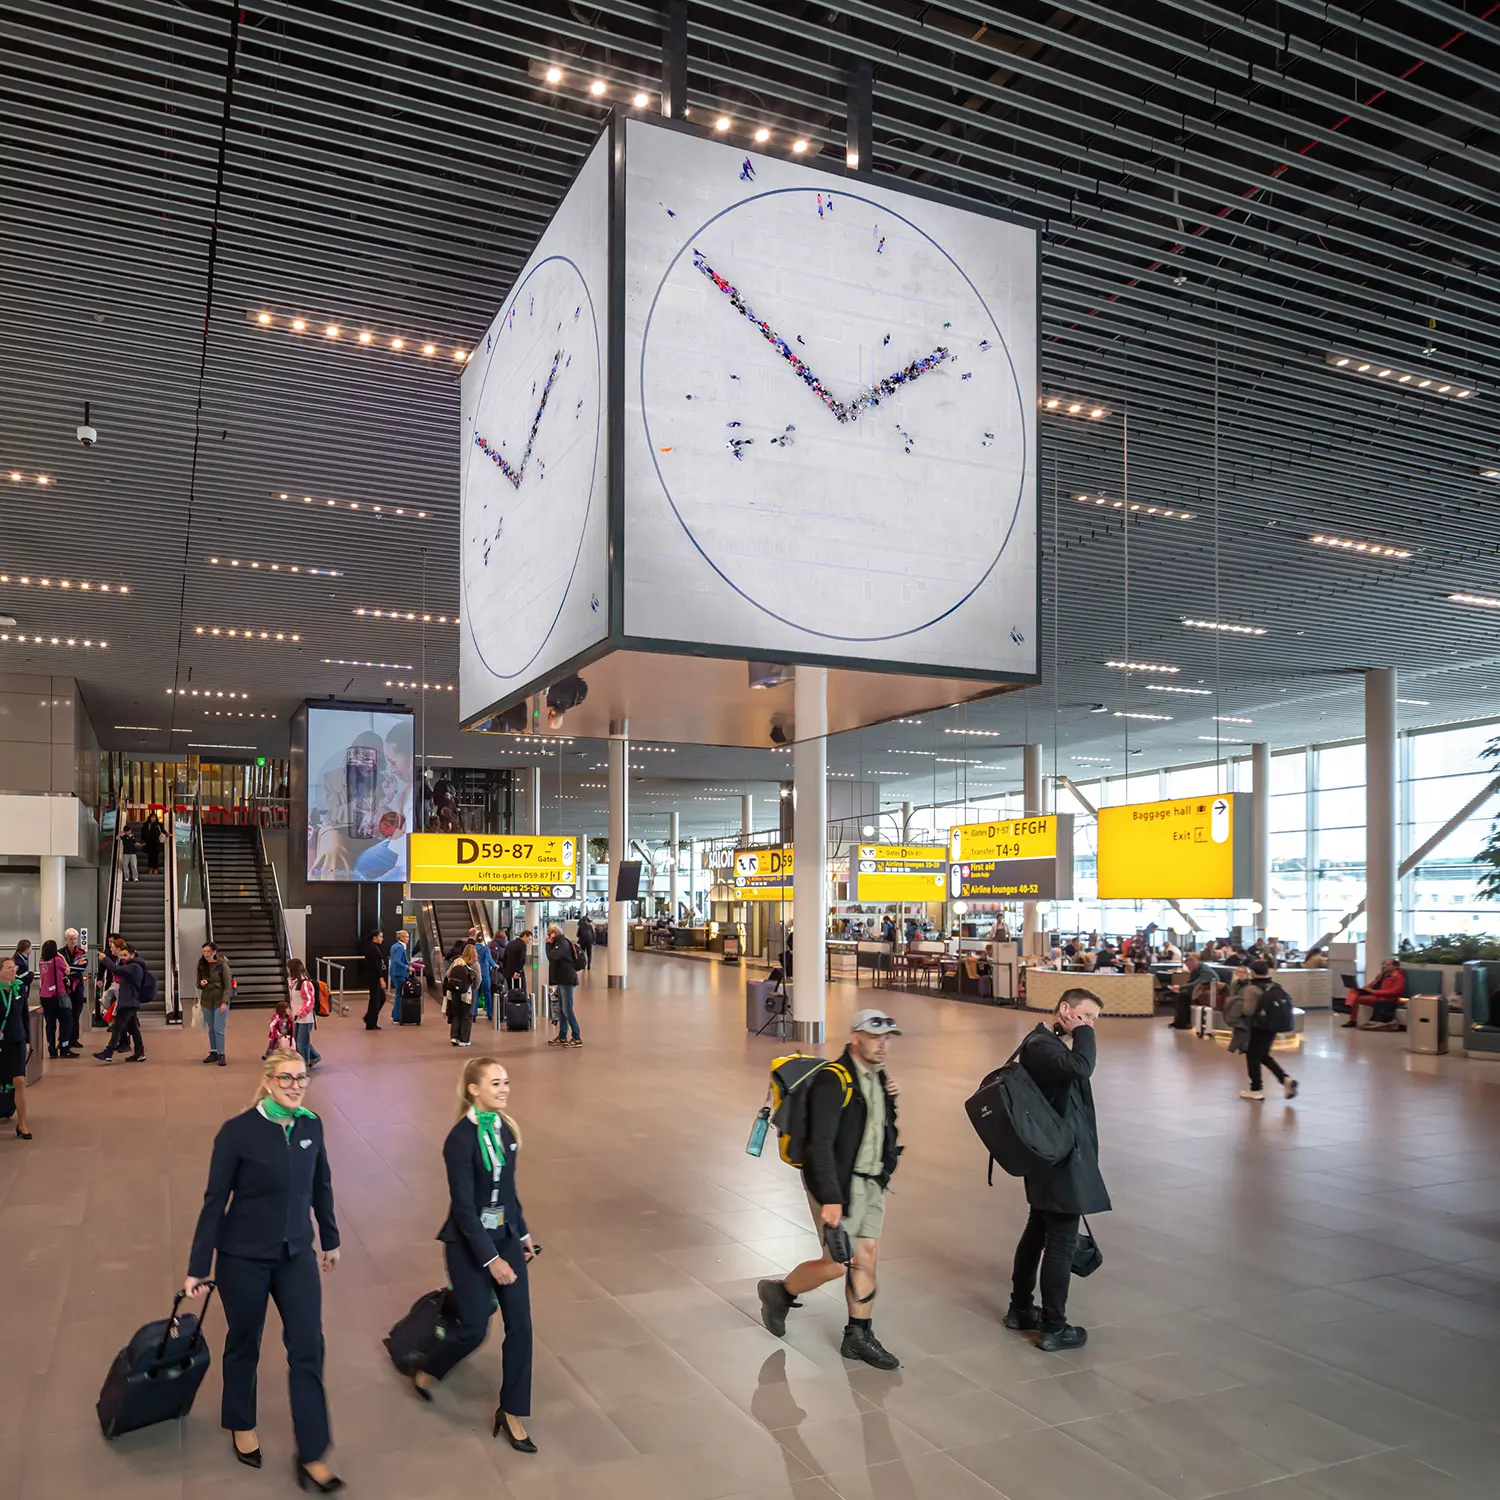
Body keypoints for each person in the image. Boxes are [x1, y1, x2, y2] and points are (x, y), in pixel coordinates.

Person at [183, 1053, 342, 1491]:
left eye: (301, 1078)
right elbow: (214, 1202)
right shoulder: (237, 1133)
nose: (294, 1085)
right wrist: (198, 1267)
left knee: (309, 1346)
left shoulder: (311, 1126)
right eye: (285, 1078)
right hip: (244, 1259)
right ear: (268, 1082)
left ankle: (312, 1453)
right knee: (244, 1342)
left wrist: (329, 1238)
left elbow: (321, 1186)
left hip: (297, 1255)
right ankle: (240, 1420)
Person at [757, 1010, 903, 1370]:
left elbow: (877, 1129)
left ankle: (858, 1335)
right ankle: (781, 1292)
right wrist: (831, 1198)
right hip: (837, 1183)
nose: (882, 1045)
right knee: (838, 1264)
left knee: (866, 1257)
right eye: (874, 1037)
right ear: (855, 1038)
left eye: (887, 1038)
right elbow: (819, 1146)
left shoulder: (879, 1078)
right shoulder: (832, 1080)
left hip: (870, 1183)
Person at [407, 1057, 537, 1451]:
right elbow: (464, 1208)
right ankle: (429, 1368)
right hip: (467, 1245)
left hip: (505, 1237)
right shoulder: (459, 1140)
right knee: (475, 1326)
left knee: (522, 1327)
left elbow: (507, 1190)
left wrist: (523, 1232)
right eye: (495, 1083)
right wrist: (491, 1261)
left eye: (506, 1082)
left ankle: (512, 1410)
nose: (504, 1089)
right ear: (473, 1090)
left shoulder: (506, 1130)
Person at [1004, 988, 1110, 1352]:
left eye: (1094, 1020)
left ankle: (1020, 1309)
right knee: (1061, 1243)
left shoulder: (1046, 1045)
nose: (1089, 1025)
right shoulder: (1042, 1045)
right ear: (1064, 1009)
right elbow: (1082, 1067)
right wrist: (1085, 1034)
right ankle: (1053, 1326)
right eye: (1085, 1016)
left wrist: (1080, 1031)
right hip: (1059, 1159)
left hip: (1051, 1155)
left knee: (1037, 1230)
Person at [1237, 960, 1299, 1101]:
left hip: (1258, 1027)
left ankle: (1256, 1089)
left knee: (1252, 1056)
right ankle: (1285, 1079)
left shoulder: (1251, 989)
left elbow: (1248, 1010)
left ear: (1252, 972)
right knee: (1263, 1055)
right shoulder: (1275, 986)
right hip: (1272, 1026)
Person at [94, 940, 146, 1062]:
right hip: (130, 1000)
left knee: (118, 1027)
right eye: (121, 955)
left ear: (132, 955)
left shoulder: (134, 967)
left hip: (129, 1001)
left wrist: (105, 959)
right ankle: (140, 1052)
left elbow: (116, 969)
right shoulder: (132, 965)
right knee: (133, 1028)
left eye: (125, 955)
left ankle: (108, 1052)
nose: (122, 958)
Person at [0, 956, 32, 1138]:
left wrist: (27, 1039)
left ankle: (22, 1123)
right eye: (9, 968)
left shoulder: (19, 988)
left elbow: (24, 1015)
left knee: (19, 1080)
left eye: (14, 967)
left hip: (16, 1039)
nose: (14, 970)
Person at [544, 925, 581, 1047]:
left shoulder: (562, 944)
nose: (548, 935)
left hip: (567, 980)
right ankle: (562, 1035)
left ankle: (576, 1037)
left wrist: (548, 945)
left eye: (549, 933)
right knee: (561, 1009)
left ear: (553, 934)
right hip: (561, 979)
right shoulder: (559, 943)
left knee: (567, 1009)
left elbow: (552, 957)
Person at [1345, 957, 1406, 1030]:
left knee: (1356, 999)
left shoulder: (1398, 977)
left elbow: (1395, 991)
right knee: (1353, 991)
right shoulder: (1381, 975)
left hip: (1385, 998)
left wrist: (1375, 992)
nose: (1384, 966)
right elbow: (1373, 984)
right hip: (1375, 995)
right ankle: (1348, 1006)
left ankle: (1351, 1014)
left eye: (1387, 965)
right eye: (1383, 964)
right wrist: (1365, 989)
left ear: (1395, 966)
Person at [37, 939, 73, 1060]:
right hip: (58, 995)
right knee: (66, 1021)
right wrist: (62, 957)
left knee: (50, 1024)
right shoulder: (57, 960)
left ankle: (51, 1050)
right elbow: (68, 970)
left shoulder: (41, 961)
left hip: (44, 996)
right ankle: (64, 1049)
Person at [198, 941, 232, 1065]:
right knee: (211, 1028)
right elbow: (198, 982)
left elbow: (228, 986)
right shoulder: (202, 965)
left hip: (219, 1000)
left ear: (214, 952)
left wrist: (225, 1002)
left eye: (208, 951)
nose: (205, 954)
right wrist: (201, 984)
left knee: (219, 1028)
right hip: (207, 1000)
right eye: (204, 951)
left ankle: (221, 1053)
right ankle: (213, 1052)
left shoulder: (222, 965)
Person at [288, 958, 322, 1069]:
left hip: (305, 1018)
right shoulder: (294, 982)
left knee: (301, 1042)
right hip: (296, 1016)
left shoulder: (305, 983)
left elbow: (309, 1001)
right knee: (299, 1040)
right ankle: (314, 1056)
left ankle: (304, 1065)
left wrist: (300, 1013)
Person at [61, 928, 88, 1055]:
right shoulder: (60, 953)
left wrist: (67, 968)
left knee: (76, 1012)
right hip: (65, 986)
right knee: (66, 1014)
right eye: (70, 938)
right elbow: (62, 969)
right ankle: (64, 1039)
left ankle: (74, 1039)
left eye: (75, 938)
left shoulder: (81, 952)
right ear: (66, 939)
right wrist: (71, 968)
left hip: (77, 986)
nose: (73, 941)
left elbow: (82, 967)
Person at [445, 946, 477, 1047]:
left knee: (455, 1013)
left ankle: (454, 1037)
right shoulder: (475, 964)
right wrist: (472, 988)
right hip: (467, 993)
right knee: (466, 1015)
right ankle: (464, 1039)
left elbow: (447, 974)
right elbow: (479, 979)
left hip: (454, 993)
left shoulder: (457, 962)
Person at [362, 927, 388, 1031]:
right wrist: (381, 978)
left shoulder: (374, 948)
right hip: (374, 978)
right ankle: (371, 1022)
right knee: (376, 1000)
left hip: (374, 978)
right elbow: (375, 965)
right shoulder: (372, 949)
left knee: (380, 998)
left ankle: (369, 1018)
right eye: (380, 936)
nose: (382, 939)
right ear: (374, 938)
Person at [468, 927, 494, 1021]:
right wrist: (495, 965)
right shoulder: (486, 949)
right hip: (485, 973)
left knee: (475, 993)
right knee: (487, 993)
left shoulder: (473, 948)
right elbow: (489, 959)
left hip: (474, 973)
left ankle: (473, 1014)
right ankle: (490, 1013)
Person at [500, 929, 531, 994]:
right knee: (521, 991)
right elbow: (522, 960)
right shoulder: (522, 945)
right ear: (525, 936)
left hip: (508, 973)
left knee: (511, 991)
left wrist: (506, 972)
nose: (529, 941)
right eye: (529, 939)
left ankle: (510, 1004)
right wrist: (517, 971)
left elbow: (505, 958)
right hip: (517, 974)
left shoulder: (510, 943)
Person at [389, 930, 410, 1024]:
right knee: (399, 995)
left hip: (394, 972)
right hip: (399, 973)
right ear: (401, 937)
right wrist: (407, 967)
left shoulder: (394, 946)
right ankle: (397, 1017)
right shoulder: (400, 948)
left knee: (398, 993)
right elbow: (397, 961)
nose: (408, 939)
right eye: (406, 936)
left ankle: (394, 1014)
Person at [143, 810, 166, 875]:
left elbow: (163, 831)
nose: (153, 818)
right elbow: (143, 833)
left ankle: (155, 868)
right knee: (150, 856)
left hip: (156, 843)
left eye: (155, 817)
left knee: (155, 856)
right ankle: (150, 867)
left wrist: (167, 834)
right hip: (148, 843)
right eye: (152, 817)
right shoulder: (146, 824)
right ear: (149, 818)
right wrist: (144, 840)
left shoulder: (158, 824)